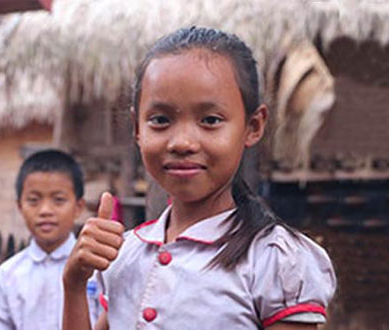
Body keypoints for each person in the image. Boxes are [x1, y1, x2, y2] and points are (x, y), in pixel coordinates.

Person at [62, 26, 336, 330]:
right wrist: (74, 284)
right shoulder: (127, 254)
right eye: (161, 120)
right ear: (137, 129)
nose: (182, 142)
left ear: (253, 126)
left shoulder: (272, 260)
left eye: (210, 120)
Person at [0, 149, 87, 330]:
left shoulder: (94, 270)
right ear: (20, 206)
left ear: (78, 207)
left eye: (58, 200)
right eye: (33, 200)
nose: (45, 211)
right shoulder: (8, 275)